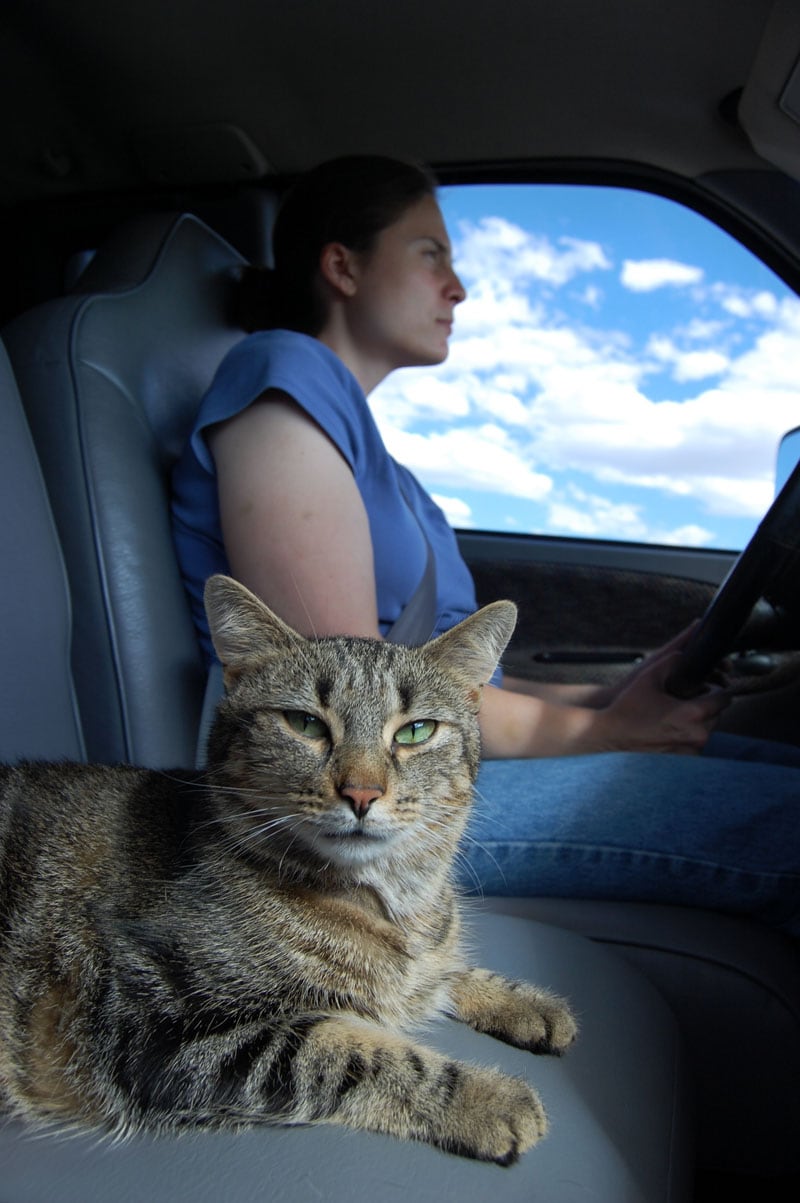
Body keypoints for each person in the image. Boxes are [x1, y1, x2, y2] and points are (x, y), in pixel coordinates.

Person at [171, 155, 800, 935]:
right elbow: (359, 698)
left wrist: (619, 693)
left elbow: (449, 696)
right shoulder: (283, 373)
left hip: (427, 767)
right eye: (431, 254)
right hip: (356, 802)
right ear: (343, 266)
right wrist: (607, 734)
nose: (457, 287)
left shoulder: (393, 475)